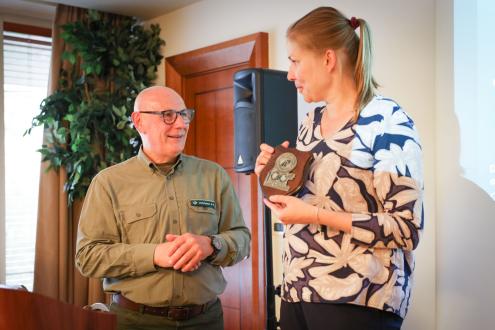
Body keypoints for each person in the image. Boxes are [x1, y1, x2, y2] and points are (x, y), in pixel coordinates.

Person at [255, 7, 423, 330]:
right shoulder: (310, 124)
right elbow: (309, 201)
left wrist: (315, 216)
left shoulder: (387, 120)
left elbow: (406, 227)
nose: (290, 74)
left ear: (328, 59)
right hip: (296, 292)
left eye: (295, 61)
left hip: (357, 300)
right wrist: (274, 172)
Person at [75, 86, 251, 330]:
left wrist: (211, 245)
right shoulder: (108, 183)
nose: (181, 124)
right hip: (135, 322)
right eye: (168, 115)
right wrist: (155, 255)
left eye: (184, 114)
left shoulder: (214, 175)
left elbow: (242, 239)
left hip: (206, 321)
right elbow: (88, 257)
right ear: (139, 121)